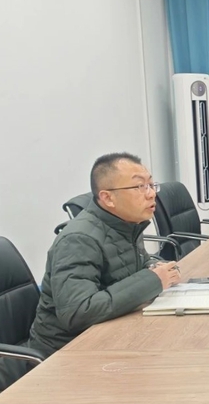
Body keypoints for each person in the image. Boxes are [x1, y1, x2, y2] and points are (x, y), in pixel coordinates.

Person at [0, 152, 181, 391]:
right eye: (139, 186)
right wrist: (151, 280)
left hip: (108, 338)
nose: (151, 193)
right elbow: (77, 312)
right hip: (64, 355)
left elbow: (128, 272)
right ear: (108, 198)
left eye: (150, 184)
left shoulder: (126, 225)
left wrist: (153, 269)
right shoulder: (79, 240)